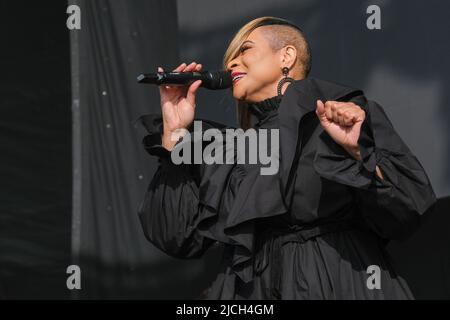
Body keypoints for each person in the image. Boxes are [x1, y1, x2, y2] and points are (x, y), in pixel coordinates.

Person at [136, 16, 437, 299]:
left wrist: (359, 152)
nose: (232, 62)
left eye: (245, 49)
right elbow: (177, 237)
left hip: (334, 280)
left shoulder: (341, 115)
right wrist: (174, 132)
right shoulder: (231, 150)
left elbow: (406, 212)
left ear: (286, 57)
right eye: (229, 58)